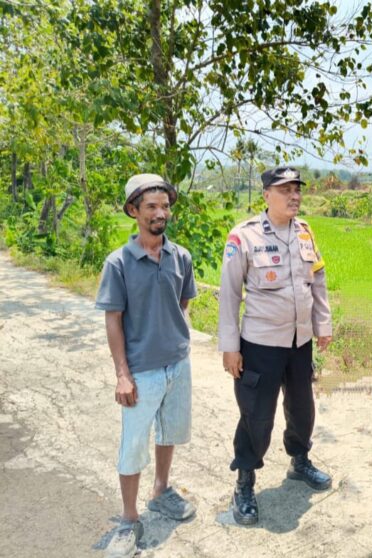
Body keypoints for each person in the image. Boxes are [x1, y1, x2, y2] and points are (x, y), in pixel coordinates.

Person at [218, 166, 333, 525]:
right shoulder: (244, 236)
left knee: (302, 408)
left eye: (297, 189)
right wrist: (230, 346)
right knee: (257, 415)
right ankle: (245, 482)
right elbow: (229, 294)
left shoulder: (305, 232)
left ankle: (299, 461)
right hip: (260, 344)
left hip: (300, 342)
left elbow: (318, 280)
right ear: (267, 195)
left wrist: (323, 324)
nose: (294, 195)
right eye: (285, 190)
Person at [96, 174, 198, 558]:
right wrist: (123, 373)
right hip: (141, 371)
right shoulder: (119, 263)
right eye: (151, 206)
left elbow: (183, 304)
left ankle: (161, 490)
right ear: (133, 211)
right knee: (133, 445)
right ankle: (128, 519)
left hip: (177, 365)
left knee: (169, 432)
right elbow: (113, 320)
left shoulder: (180, 256)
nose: (161, 213)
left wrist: (176, 341)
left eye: (165, 206)